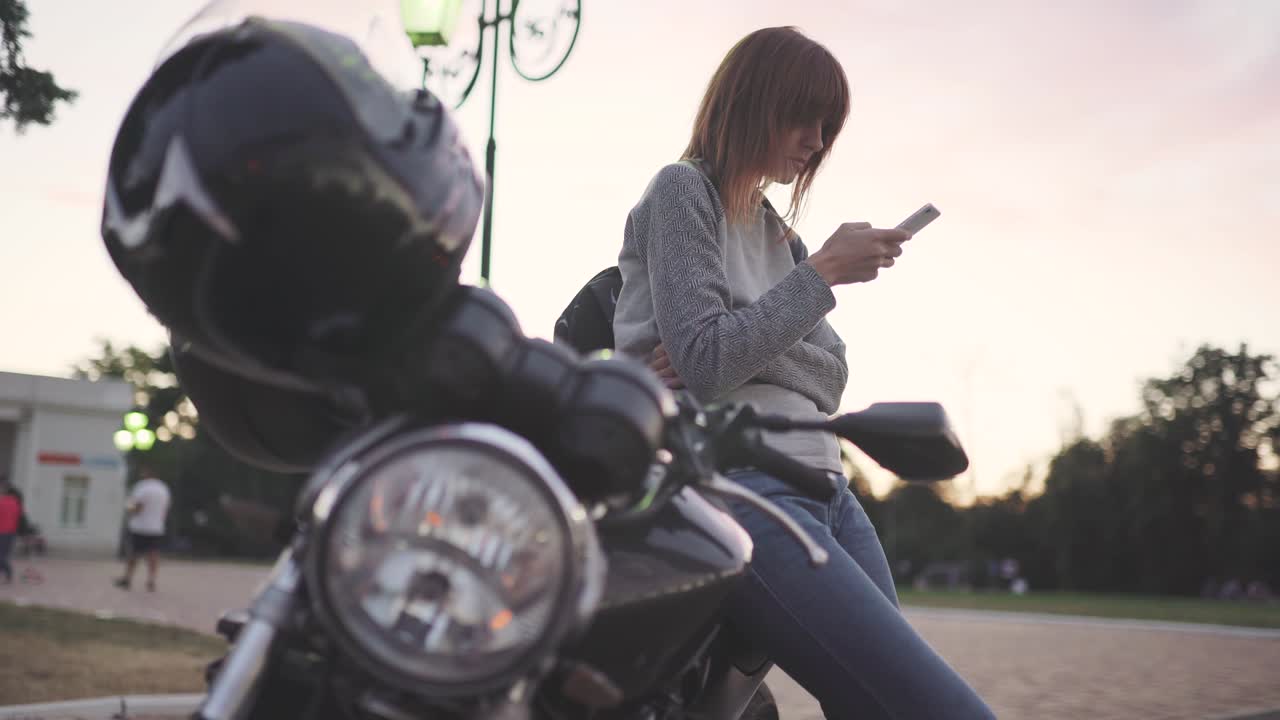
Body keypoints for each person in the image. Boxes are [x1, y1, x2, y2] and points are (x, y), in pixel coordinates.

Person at [612, 27, 994, 718]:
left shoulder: (780, 235)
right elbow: (709, 363)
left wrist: (737, 333)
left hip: (829, 489)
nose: (817, 141)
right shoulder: (682, 191)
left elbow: (831, 376)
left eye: (827, 127)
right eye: (804, 117)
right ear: (753, 100)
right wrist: (818, 278)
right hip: (741, 490)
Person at [114, 465, 172, 592]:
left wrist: (128, 508)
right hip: (156, 527)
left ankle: (127, 578)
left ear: (147, 473)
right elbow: (165, 509)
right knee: (153, 554)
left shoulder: (142, 487)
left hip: (140, 526)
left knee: (134, 553)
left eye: (143, 472)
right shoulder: (163, 488)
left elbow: (138, 507)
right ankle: (151, 580)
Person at [0, 480, 20, 584]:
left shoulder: (2, 502)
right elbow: (18, 517)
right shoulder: (15, 502)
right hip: (11, 532)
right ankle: (7, 573)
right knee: (4, 554)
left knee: (2, 556)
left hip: (3, 532)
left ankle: (8, 572)